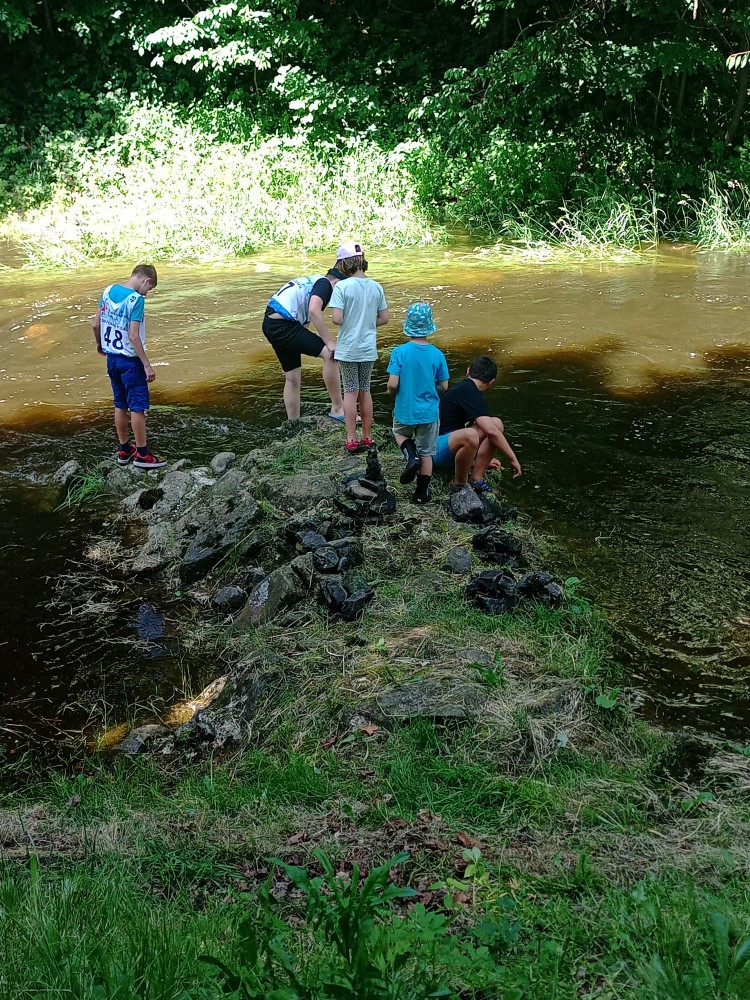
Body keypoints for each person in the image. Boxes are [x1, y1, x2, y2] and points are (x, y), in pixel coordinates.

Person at [92, 264, 166, 469]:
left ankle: (124, 449)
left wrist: (99, 344)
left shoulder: (108, 290)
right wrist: (147, 365)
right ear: (146, 280)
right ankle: (142, 454)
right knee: (137, 406)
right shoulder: (136, 300)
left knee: (120, 404)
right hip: (130, 362)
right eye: (149, 289)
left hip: (112, 359)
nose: (147, 293)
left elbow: (95, 324)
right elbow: (133, 336)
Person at [262, 260, 346, 421]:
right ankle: (338, 409)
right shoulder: (325, 285)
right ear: (337, 283)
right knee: (330, 354)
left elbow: (303, 319)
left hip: (271, 323)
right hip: (284, 324)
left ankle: (293, 422)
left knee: (292, 376)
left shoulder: (313, 281)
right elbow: (313, 310)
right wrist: (329, 342)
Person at [386, 302, 449, 505]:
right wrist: (432, 387)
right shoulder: (437, 354)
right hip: (429, 412)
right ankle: (421, 494)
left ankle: (410, 456)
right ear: (429, 327)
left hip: (405, 408)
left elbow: (393, 384)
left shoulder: (399, 352)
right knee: (427, 453)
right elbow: (444, 386)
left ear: (408, 327)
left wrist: (391, 392)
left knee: (399, 433)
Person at [329, 241, 389, 452]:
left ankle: (351, 437)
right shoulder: (376, 286)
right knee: (365, 389)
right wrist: (366, 322)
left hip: (348, 349)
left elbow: (337, 319)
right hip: (367, 348)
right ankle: (367, 436)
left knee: (350, 391)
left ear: (344, 264)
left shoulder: (342, 287)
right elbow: (384, 318)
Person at [433, 355, 522, 491]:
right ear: (491, 382)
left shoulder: (466, 389)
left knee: (495, 423)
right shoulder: (468, 391)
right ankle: (459, 484)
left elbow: (492, 428)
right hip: (435, 450)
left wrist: (480, 461)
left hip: (446, 447)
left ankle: (476, 479)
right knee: (473, 434)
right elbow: (491, 432)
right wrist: (513, 459)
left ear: (468, 371)